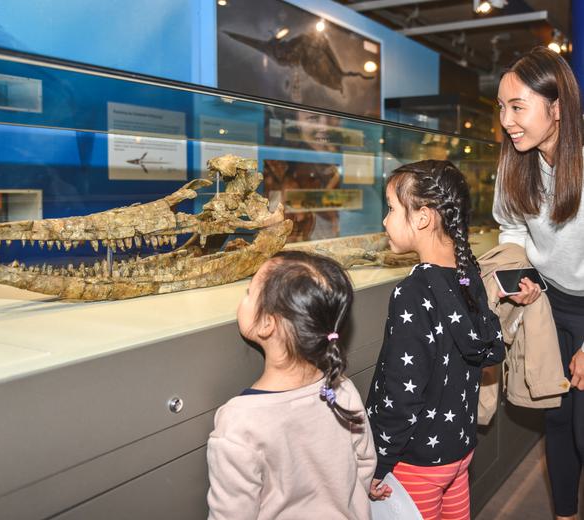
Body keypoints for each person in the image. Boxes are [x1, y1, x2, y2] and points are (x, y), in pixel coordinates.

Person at [366, 160, 505, 519]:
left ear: (424, 217)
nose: (385, 220)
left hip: (416, 464)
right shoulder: (467, 276)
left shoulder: (411, 293)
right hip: (458, 452)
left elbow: (402, 392)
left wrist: (379, 463)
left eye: (392, 208)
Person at [206, 250, 378, 520]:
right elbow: (365, 463)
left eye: (249, 292)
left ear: (266, 324)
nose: (245, 296)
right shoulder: (341, 389)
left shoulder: (239, 422)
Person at [494, 46, 584, 520]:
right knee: (558, 419)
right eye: (503, 107)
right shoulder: (515, 162)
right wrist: (522, 279)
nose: (507, 120)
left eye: (518, 107)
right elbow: (511, 231)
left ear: (556, 108)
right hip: (550, 305)